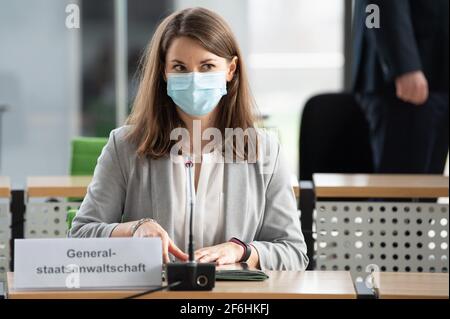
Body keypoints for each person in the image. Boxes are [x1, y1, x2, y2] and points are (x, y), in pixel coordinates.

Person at [69, 7, 308, 271]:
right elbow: (80, 236)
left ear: (230, 70)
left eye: (207, 66)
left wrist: (243, 251)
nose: (194, 79)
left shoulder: (266, 150)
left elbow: (294, 253)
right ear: (164, 72)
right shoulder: (125, 145)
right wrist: (134, 229)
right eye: (179, 67)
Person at [352, 0, 449, 174]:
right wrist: (404, 64)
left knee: (424, 194)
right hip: (407, 78)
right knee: (400, 195)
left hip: (436, 71)